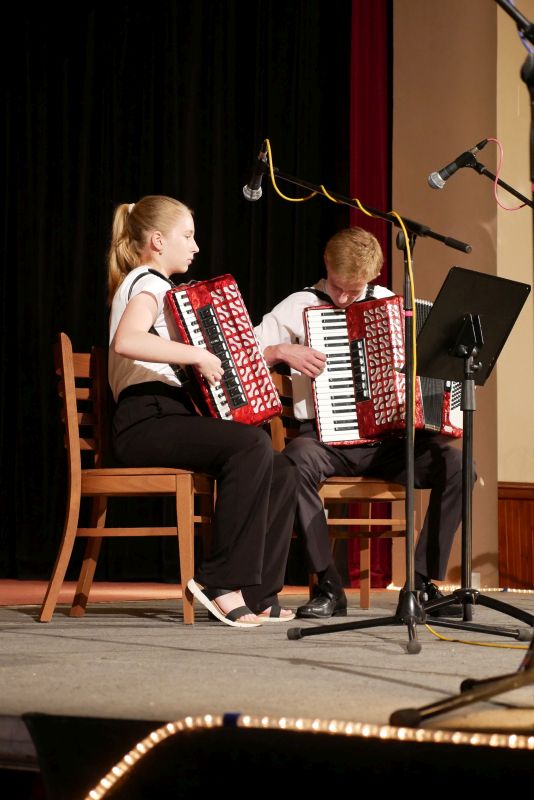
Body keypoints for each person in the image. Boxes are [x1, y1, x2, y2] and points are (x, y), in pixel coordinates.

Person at [255, 226, 471, 619]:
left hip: (388, 444)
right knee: (294, 462)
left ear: (373, 276)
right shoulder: (299, 304)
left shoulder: (391, 304)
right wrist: (279, 350)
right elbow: (244, 351)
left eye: (352, 291)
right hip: (325, 442)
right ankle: (328, 586)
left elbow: (427, 366)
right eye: (337, 287)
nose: (342, 298)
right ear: (326, 264)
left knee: (458, 465)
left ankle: (420, 583)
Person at [108, 194, 298, 628]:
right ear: (158, 241)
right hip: (145, 419)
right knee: (250, 446)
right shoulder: (147, 282)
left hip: (172, 416)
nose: (195, 247)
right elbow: (127, 340)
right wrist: (197, 354)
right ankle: (219, 582)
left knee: (281, 466)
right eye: (187, 236)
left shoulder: (163, 289)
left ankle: (257, 591)